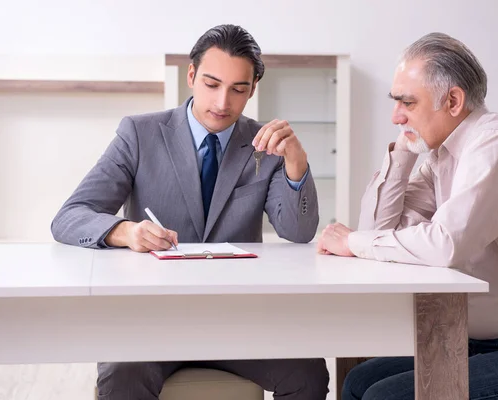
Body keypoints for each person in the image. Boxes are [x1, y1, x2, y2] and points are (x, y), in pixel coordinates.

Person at [51, 24, 328, 400]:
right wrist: (125, 231)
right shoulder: (139, 133)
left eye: (238, 89)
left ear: (253, 89)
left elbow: (298, 231)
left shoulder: (266, 145)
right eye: (212, 84)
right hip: (152, 318)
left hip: (238, 319)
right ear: (192, 75)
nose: (222, 102)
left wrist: (297, 162)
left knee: (307, 373)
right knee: (121, 376)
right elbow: (70, 215)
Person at [318, 32, 498, 400]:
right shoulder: (442, 156)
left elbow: (445, 244)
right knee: (359, 381)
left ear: (453, 100)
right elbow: (378, 229)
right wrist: (403, 153)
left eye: (407, 102)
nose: (395, 115)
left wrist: (351, 242)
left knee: (383, 397)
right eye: (395, 102)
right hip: (480, 343)